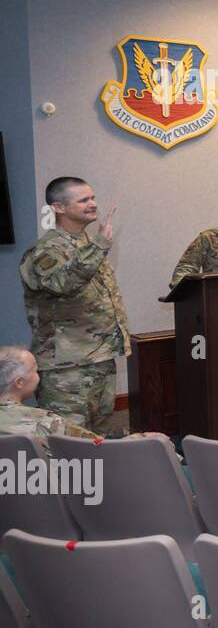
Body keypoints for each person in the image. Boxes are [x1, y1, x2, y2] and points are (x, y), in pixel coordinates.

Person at [19, 177, 131, 436]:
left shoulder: (86, 245)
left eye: (92, 198)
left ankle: (99, 478)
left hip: (99, 357)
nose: (93, 204)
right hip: (67, 369)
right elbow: (63, 283)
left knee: (96, 440)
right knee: (68, 443)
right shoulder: (46, 250)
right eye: (83, 200)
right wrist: (100, 244)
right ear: (59, 208)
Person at [0, 346, 101, 444]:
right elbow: (97, 445)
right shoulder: (45, 422)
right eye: (35, 370)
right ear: (19, 382)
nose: (38, 375)